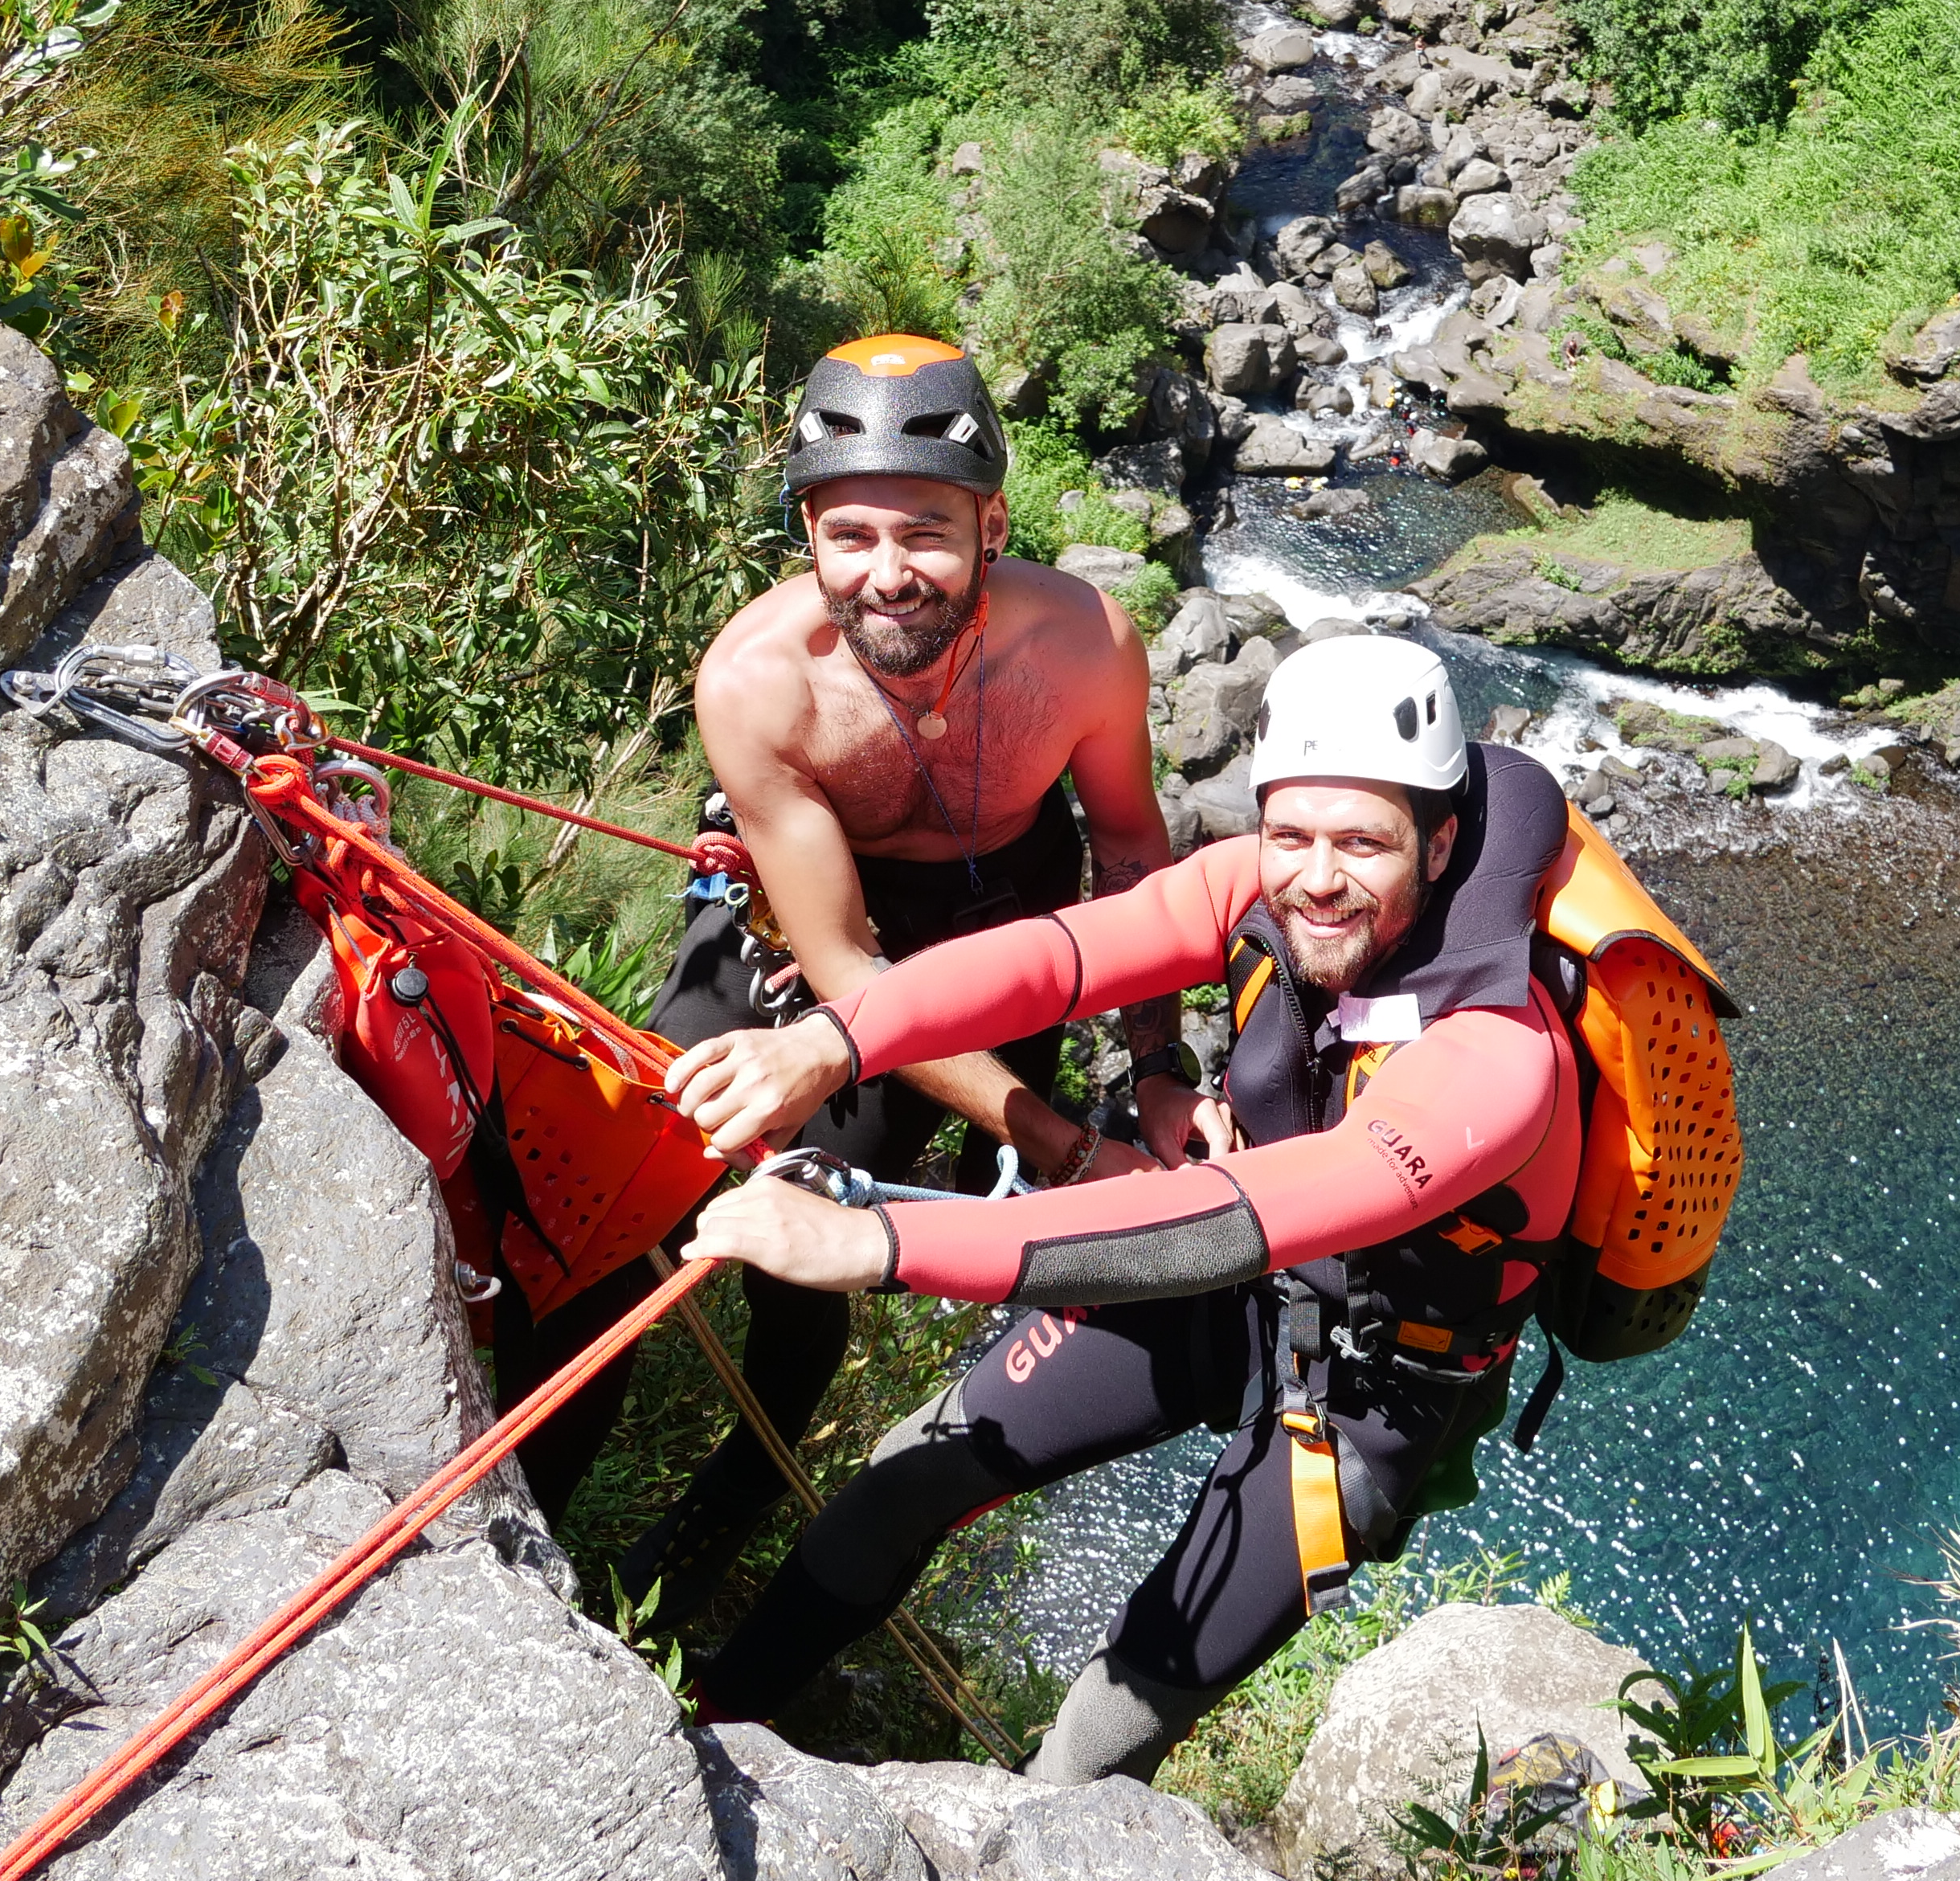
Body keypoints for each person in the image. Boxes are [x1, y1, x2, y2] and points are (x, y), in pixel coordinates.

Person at [669, 636, 1578, 1783]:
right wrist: (831, 1039)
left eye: (1364, 843)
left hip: (1365, 1390)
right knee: (908, 1477)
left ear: (1441, 846)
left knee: (1104, 1729)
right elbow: (1056, 958)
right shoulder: (1259, 885)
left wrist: (878, 1241)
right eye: (1290, 836)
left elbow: (1226, 1217)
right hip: (1238, 1290)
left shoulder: (1500, 1056)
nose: (1316, 877)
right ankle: (701, 1735)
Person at [499, 333, 1183, 1615]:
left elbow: (1135, 850)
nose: (889, 575)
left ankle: (716, 1528)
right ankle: (519, 1522)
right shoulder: (760, 685)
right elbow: (842, 956)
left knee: (820, 1243)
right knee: (620, 1190)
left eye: (925, 533)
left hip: (1004, 917)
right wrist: (1058, 1138)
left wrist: (1155, 1072)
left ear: (991, 521)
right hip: (810, 914)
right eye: (848, 535)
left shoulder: (1085, 644)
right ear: (805, 532)